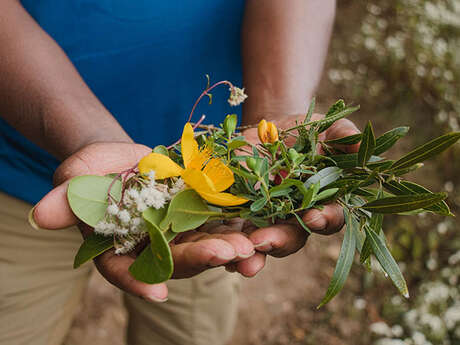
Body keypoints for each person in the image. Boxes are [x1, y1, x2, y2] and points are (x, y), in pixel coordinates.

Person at [0, 1, 360, 345]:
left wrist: (278, 116)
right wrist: (89, 136)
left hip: (206, 209)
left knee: (190, 327)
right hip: (19, 173)